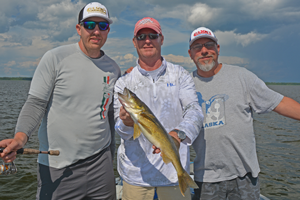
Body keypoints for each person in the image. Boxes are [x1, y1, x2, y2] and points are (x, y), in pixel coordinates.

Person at [0, 2, 120, 200]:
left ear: (108, 31)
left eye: (103, 26)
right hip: (59, 167)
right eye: (90, 25)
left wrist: (110, 159)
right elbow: (35, 104)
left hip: (101, 166)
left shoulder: (113, 68)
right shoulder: (54, 58)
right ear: (78, 29)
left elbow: (108, 117)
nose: (96, 31)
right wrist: (20, 138)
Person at [188, 27, 300, 200]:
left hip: (244, 177)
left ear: (218, 48)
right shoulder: (186, 85)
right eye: (197, 47)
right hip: (206, 178)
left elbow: (279, 102)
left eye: (209, 45)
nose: (204, 51)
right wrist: (130, 74)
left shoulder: (242, 76)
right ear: (190, 53)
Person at [113, 17, 204, 200]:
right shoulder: (123, 83)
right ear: (134, 42)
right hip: (135, 177)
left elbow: (195, 111)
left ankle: (183, 176)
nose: (147, 40)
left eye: (152, 35)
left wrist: (179, 135)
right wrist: (126, 123)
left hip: (172, 176)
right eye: (141, 37)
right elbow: (121, 131)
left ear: (161, 39)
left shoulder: (181, 75)